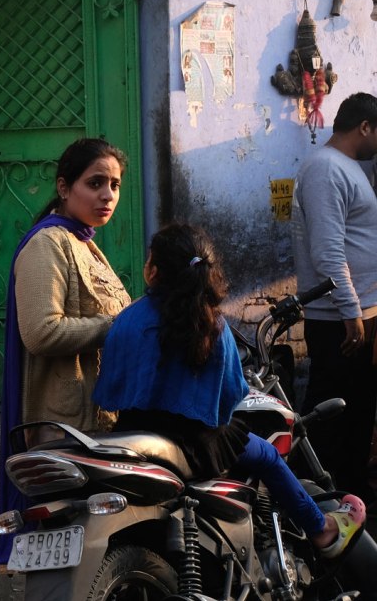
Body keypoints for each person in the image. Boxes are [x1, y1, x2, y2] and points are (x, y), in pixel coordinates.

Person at [94, 223, 364, 558]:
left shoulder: (127, 319)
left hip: (131, 436)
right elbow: (229, 402)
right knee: (266, 453)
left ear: (152, 271)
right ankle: (322, 530)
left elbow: (108, 392)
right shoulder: (211, 326)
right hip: (195, 446)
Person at [0, 137, 134, 566]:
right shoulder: (49, 244)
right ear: (63, 186)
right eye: (95, 183)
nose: (107, 194)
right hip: (63, 428)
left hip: (93, 423)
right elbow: (40, 332)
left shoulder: (84, 243)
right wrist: (117, 327)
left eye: (114, 184)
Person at [292, 91, 377, 512]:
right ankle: (318, 502)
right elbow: (328, 251)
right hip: (339, 318)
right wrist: (350, 311)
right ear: (364, 127)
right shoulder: (326, 168)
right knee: (331, 414)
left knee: (357, 409)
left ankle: (351, 493)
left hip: (355, 312)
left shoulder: (350, 167)